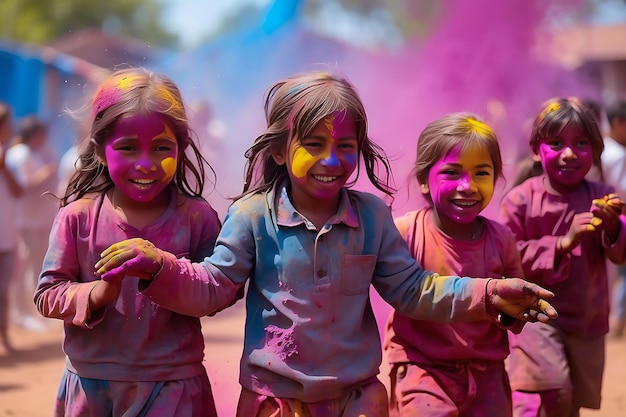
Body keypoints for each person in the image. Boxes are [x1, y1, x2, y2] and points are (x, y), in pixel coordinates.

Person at [95, 71, 557, 417]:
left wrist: (487, 292)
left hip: (354, 401)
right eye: (313, 143)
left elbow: (413, 289)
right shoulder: (253, 216)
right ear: (279, 150)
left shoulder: (371, 216)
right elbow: (214, 287)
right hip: (273, 402)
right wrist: (160, 267)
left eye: (346, 145)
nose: (332, 159)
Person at [34, 68, 239, 417]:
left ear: (181, 147)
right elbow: (47, 294)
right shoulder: (77, 217)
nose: (145, 164)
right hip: (93, 387)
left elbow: (221, 292)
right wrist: (97, 293)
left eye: (161, 148)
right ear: (100, 150)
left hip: (172, 387)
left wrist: (163, 267)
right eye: (128, 148)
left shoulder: (196, 218)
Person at [383, 113, 525, 416]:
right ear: (423, 180)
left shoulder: (502, 240)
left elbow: (514, 314)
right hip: (421, 368)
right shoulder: (405, 233)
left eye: (481, 173)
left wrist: (515, 310)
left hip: (486, 372)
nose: (468, 186)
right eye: (452, 173)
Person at [500, 97, 626, 417]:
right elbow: (506, 257)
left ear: (596, 151)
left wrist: (614, 227)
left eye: (581, 143)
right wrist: (562, 243)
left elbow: (620, 256)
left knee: (571, 403)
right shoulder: (519, 200)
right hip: (535, 313)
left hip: (587, 319)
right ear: (535, 150)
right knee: (553, 390)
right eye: (556, 143)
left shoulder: (602, 196)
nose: (569, 153)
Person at [5, 115, 58, 331]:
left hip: (36, 220)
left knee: (36, 265)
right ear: (34, 134)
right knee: (28, 266)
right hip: (26, 221)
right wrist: (47, 172)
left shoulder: (32, 153)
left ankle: (31, 311)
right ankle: (24, 312)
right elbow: (24, 183)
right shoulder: (21, 154)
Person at [601, 99, 626, 337]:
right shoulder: (617, 155)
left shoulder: (606, 150)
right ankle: (617, 318)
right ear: (619, 123)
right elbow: (621, 190)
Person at [0, 102, 22, 353]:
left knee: (3, 293)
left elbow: (18, 191)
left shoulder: (11, 156)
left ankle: (4, 337)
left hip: (6, 235)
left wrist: (4, 167)